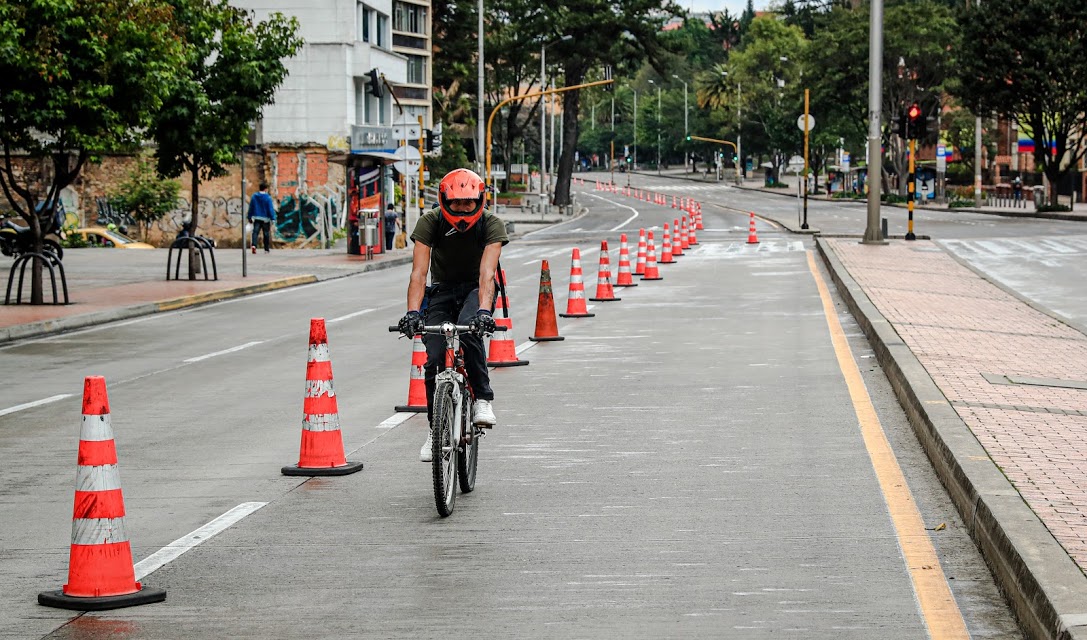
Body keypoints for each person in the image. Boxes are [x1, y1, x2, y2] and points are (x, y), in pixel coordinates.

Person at [397, 168, 508, 462]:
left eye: (468, 202)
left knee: (470, 332)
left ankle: (482, 399)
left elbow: (487, 275)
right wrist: (412, 313)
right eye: (456, 202)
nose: (462, 209)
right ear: (444, 200)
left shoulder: (491, 224)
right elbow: (419, 274)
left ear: (479, 200)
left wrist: (484, 311)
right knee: (432, 355)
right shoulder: (429, 222)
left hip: (475, 289)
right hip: (442, 290)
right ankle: (436, 431)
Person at [248, 183, 276, 253]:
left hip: (256, 218)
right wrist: (273, 218)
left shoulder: (254, 196)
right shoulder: (268, 198)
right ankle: (266, 249)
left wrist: (249, 217)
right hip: (265, 219)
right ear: (266, 189)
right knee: (266, 233)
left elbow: (251, 207)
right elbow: (270, 209)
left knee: (255, 232)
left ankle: (254, 245)